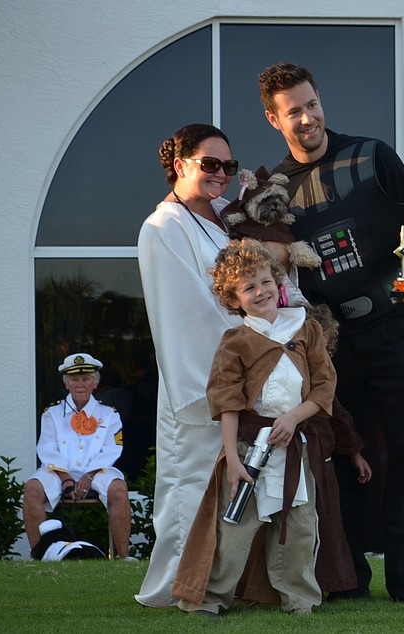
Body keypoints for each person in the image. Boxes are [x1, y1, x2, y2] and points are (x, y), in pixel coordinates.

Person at [258, 61, 404, 604]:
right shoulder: (275, 191)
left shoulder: (373, 154)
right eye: (293, 111)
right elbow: (268, 258)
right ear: (275, 119)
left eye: (312, 104)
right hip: (330, 342)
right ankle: (349, 577)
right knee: (340, 452)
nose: (308, 117)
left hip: (395, 325)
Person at [171, 239, 369, 616]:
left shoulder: (306, 329)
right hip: (250, 446)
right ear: (233, 298)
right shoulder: (235, 342)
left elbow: (325, 386)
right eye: (248, 287)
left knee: (299, 527)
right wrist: (232, 459)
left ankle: (299, 599)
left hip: (297, 446)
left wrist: (294, 419)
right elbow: (227, 402)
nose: (260, 291)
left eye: (264, 281)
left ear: (277, 281)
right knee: (235, 527)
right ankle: (211, 598)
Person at [135, 124, 245, 606]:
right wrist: (242, 356)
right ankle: (181, 587)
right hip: (200, 378)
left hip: (239, 370)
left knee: (230, 490)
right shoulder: (162, 227)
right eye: (210, 164)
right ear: (180, 165)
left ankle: (226, 584)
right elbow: (185, 310)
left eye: (228, 166)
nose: (220, 175)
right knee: (192, 488)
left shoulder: (225, 217)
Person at [22, 353, 133, 559]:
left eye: (86, 379)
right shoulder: (52, 413)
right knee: (32, 489)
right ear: (67, 384)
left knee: (118, 489)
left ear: (95, 383)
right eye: (74, 379)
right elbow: (47, 448)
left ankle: (124, 558)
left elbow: (112, 449)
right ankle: (40, 555)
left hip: (97, 470)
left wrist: (89, 475)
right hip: (59, 471)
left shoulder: (109, 414)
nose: (80, 384)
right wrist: (65, 479)